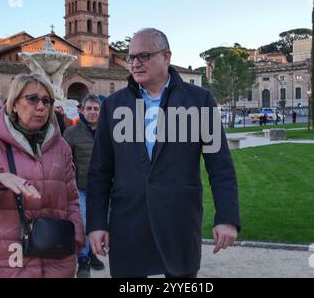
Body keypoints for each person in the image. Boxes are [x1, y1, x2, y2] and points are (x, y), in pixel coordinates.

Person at [87, 28, 240, 278]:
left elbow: (220, 166)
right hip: (128, 223)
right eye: (131, 57)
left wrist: (227, 217)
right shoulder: (113, 106)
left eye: (144, 56)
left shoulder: (200, 101)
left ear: (167, 56)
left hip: (179, 220)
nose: (135, 63)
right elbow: (99, 172)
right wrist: (96, 224)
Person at [0, 73, 84, 278]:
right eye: (32, 99)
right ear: (14, 104)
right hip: (1, 261)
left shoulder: (61, 147)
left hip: (55, 259)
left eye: (46, 100)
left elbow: (72, 200)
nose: (40, 106)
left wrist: (74, 241)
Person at [64, 95, 105, 278]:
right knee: (85, 223)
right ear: (82, 110)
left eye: (96, 109)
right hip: (81, 187)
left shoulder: (109, 132)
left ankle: (92, 254)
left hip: (104, 189)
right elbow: (65, 161)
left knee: (99, 224)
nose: (93, 112)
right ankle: (83, 260)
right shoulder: (72, 133)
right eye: (89, 108)